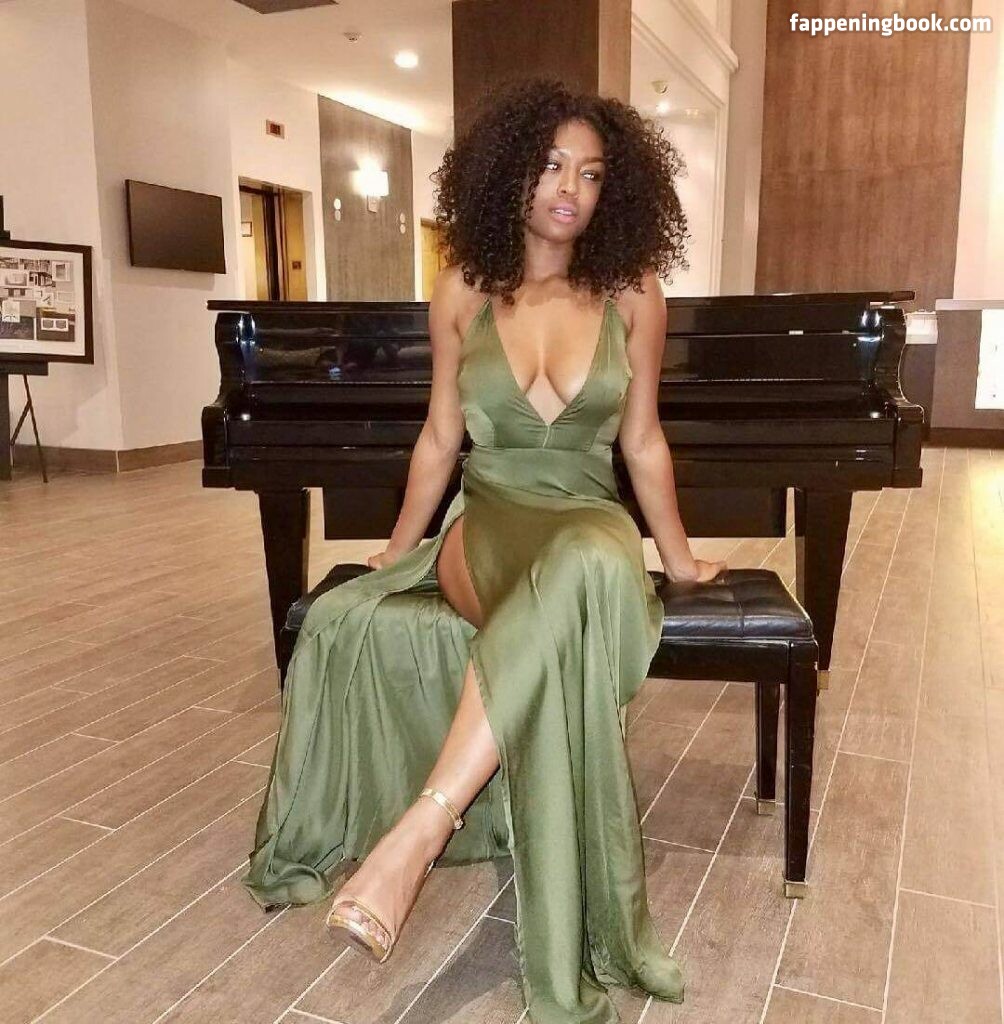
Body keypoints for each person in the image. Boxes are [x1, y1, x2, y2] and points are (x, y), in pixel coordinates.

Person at [242, 76, 727, 1024]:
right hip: (488, 520)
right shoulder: (463, 288)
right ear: (509, 173)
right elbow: (440, 437)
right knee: (562, 580)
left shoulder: (634, 293)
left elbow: (641, 442)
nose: (570, 188)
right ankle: (430, 832)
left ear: (615, 190)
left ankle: (418, 836)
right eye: (550, 165)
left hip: (588, 519)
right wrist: (398, 546)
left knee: (586, 559)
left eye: (592, 173)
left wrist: (677, 559)